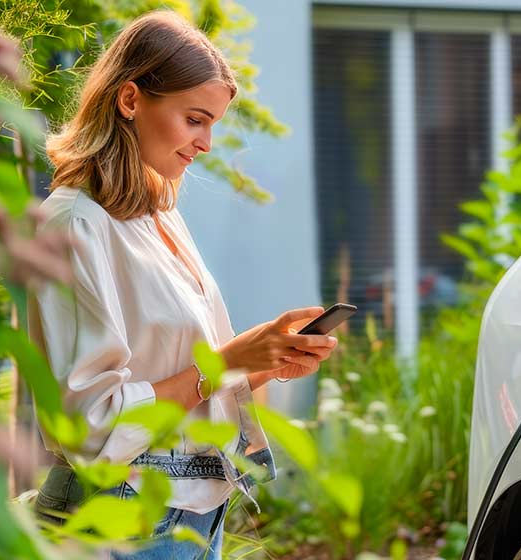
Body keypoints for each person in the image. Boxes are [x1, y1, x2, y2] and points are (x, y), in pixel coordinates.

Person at [25, 10, 337, 559]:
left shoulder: (157, 215)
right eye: (195, 119)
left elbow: (177, 375)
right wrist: (226, 360)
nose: (207, 142)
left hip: (194, 514)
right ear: (130, 100)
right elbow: (90, 424)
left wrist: (265, 357)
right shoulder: (73, 224)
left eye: (213, 123)